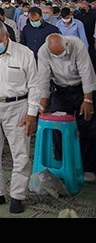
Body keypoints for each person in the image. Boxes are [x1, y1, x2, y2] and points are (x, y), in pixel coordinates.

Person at [0, 20, 40, 214]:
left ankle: (17, 196)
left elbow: (35, 86)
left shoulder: (24, 54)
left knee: (20, 154)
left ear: (7, 37)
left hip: (18, 107)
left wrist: (31, 113)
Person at [37, 34, 96, 183]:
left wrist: (87, 99)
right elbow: (43, 79)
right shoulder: (43, 51)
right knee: (58, 126)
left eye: (61, 53)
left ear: (66, 45)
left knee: (87, 125)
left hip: (80, 88)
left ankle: (88, 167)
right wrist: (42, 104)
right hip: (60, 90)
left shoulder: (77, 45)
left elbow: (87, 72)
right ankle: (61, 163)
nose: (58, 56)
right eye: (55, 54)